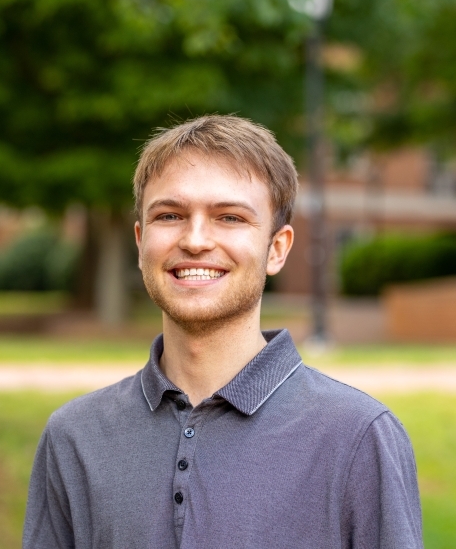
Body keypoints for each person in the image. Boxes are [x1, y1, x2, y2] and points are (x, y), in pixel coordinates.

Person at [23, 115, 423, 549]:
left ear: (277, 248)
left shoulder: (360, 437)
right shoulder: (74, 436)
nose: (195, 240)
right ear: (140, 244)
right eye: (170, 214)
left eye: (229, 217)